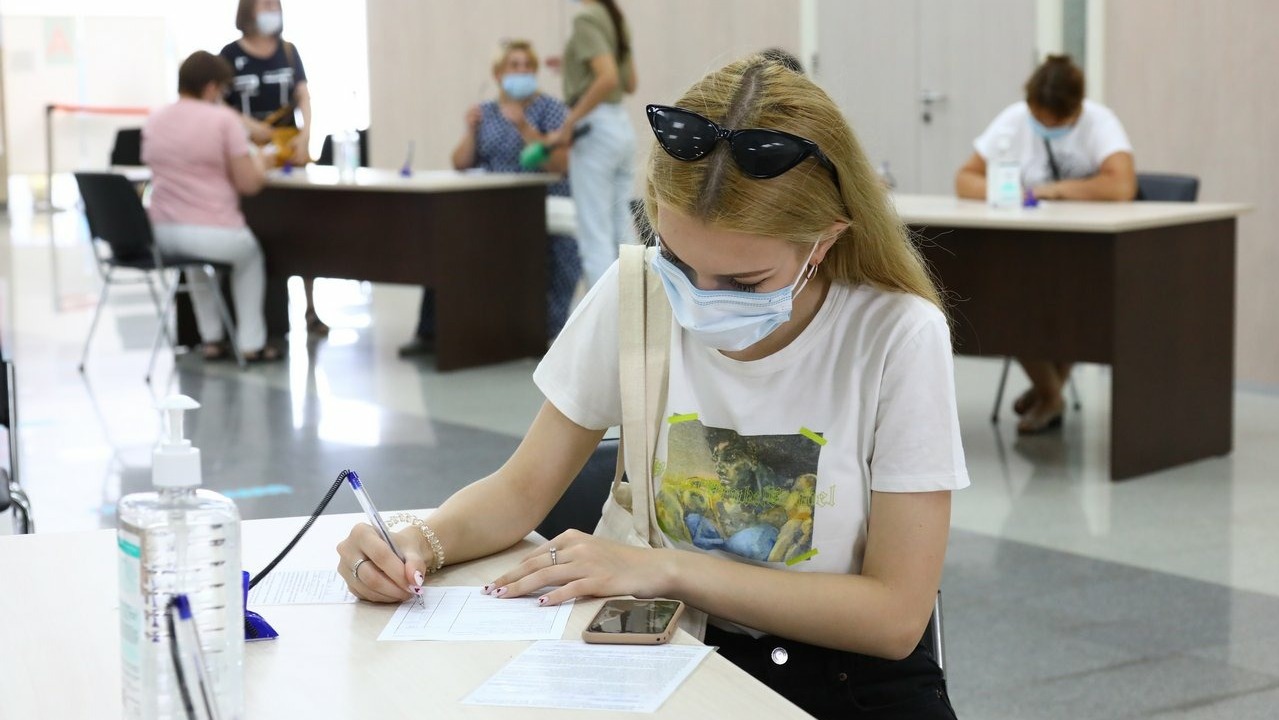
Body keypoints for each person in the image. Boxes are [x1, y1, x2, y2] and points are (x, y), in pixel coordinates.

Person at [339, 54, 967, 719]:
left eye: (745, 283)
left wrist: (664, 569)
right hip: (677, 649)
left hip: (843, 677)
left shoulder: (898, 334)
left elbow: (895, 616)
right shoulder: (638, 292)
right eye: (678, 261)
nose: (699, 300)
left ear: (824, 240)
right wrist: (418, 541)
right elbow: (521, 490)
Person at [955, 54, 1136, 434]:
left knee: (1071, 305)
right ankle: (1050, 393)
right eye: (1040, 119)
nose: (1046, 127)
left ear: (1076, 109)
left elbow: (1121, 185)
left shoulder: (1100, 122)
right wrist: (1009, 193)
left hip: (1086, 257)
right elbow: (965, 179)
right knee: (1013, 301)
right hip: (1025, 251)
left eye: (1056, 122)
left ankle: (1048, 393)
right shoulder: (1013, 120)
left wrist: (1055, 190)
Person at [399, 40, 581, 357]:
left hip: (539, 205)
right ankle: (432, 331)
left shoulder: (551, 110)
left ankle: (544, 334)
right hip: (492, 206)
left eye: (528, 66)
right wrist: (470, 131)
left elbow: (561, 164)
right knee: (444, 240)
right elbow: (460, 162)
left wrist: (524, 127)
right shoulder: (485, 112)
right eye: (515, 65)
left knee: (558, 251)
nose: (523, 71)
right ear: (498, 74)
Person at [141, 51, 280, 362]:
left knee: (196, 265)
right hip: (215, 231)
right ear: (211, 87)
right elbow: (248, 184)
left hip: (162, 234)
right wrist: (262, 162)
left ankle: (212, 339)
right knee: (249, 258)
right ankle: (251, 343)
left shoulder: (155, 120)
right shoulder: (223, 121)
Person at [220, 0, 328, 336]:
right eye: (264, 4)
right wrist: (250, 126)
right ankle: (261, 317)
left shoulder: (289, 52)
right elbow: (218, 106)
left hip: (288, 151)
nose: (271, 10)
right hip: (249, 154)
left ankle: (311, 308)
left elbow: (304, 96)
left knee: (304, 228)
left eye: (274, 5)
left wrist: (306, 134)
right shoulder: (229, 55)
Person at [547, 0, 637, 288]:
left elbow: (608, 78)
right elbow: (629, 83)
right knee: (623, 231)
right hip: (621, 125)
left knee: (594, 235)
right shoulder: (614, 17)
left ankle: (607, 315)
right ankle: (636, 305)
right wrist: (572, 67)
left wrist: (568, 123)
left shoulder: (585, 18)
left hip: (594, 130)